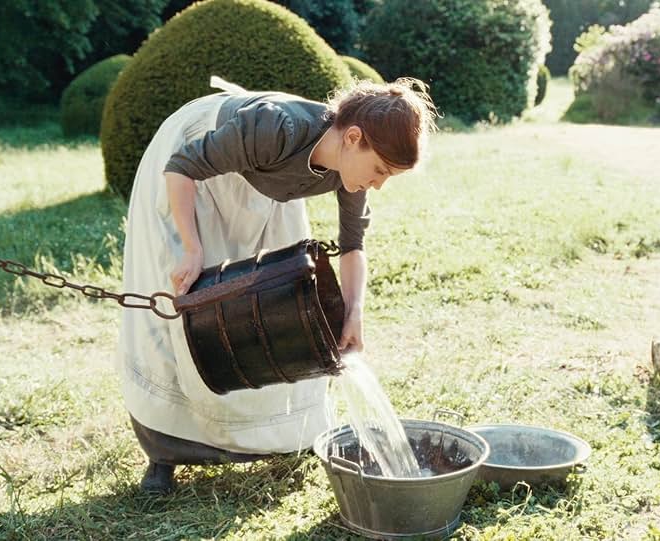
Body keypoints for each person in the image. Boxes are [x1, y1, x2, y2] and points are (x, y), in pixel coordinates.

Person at [114, 75, 437, 494]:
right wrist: (191, 248)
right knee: (184, 307)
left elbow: (353, 245)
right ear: (353, 137)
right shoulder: (276, 127)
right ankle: (165, 452)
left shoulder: (344, 169)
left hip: (265, 181)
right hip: (191, 165)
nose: (378, 184)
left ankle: (278, 436)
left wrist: (354, 313)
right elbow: (182, 167)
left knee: (281, 302)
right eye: (379, 170)